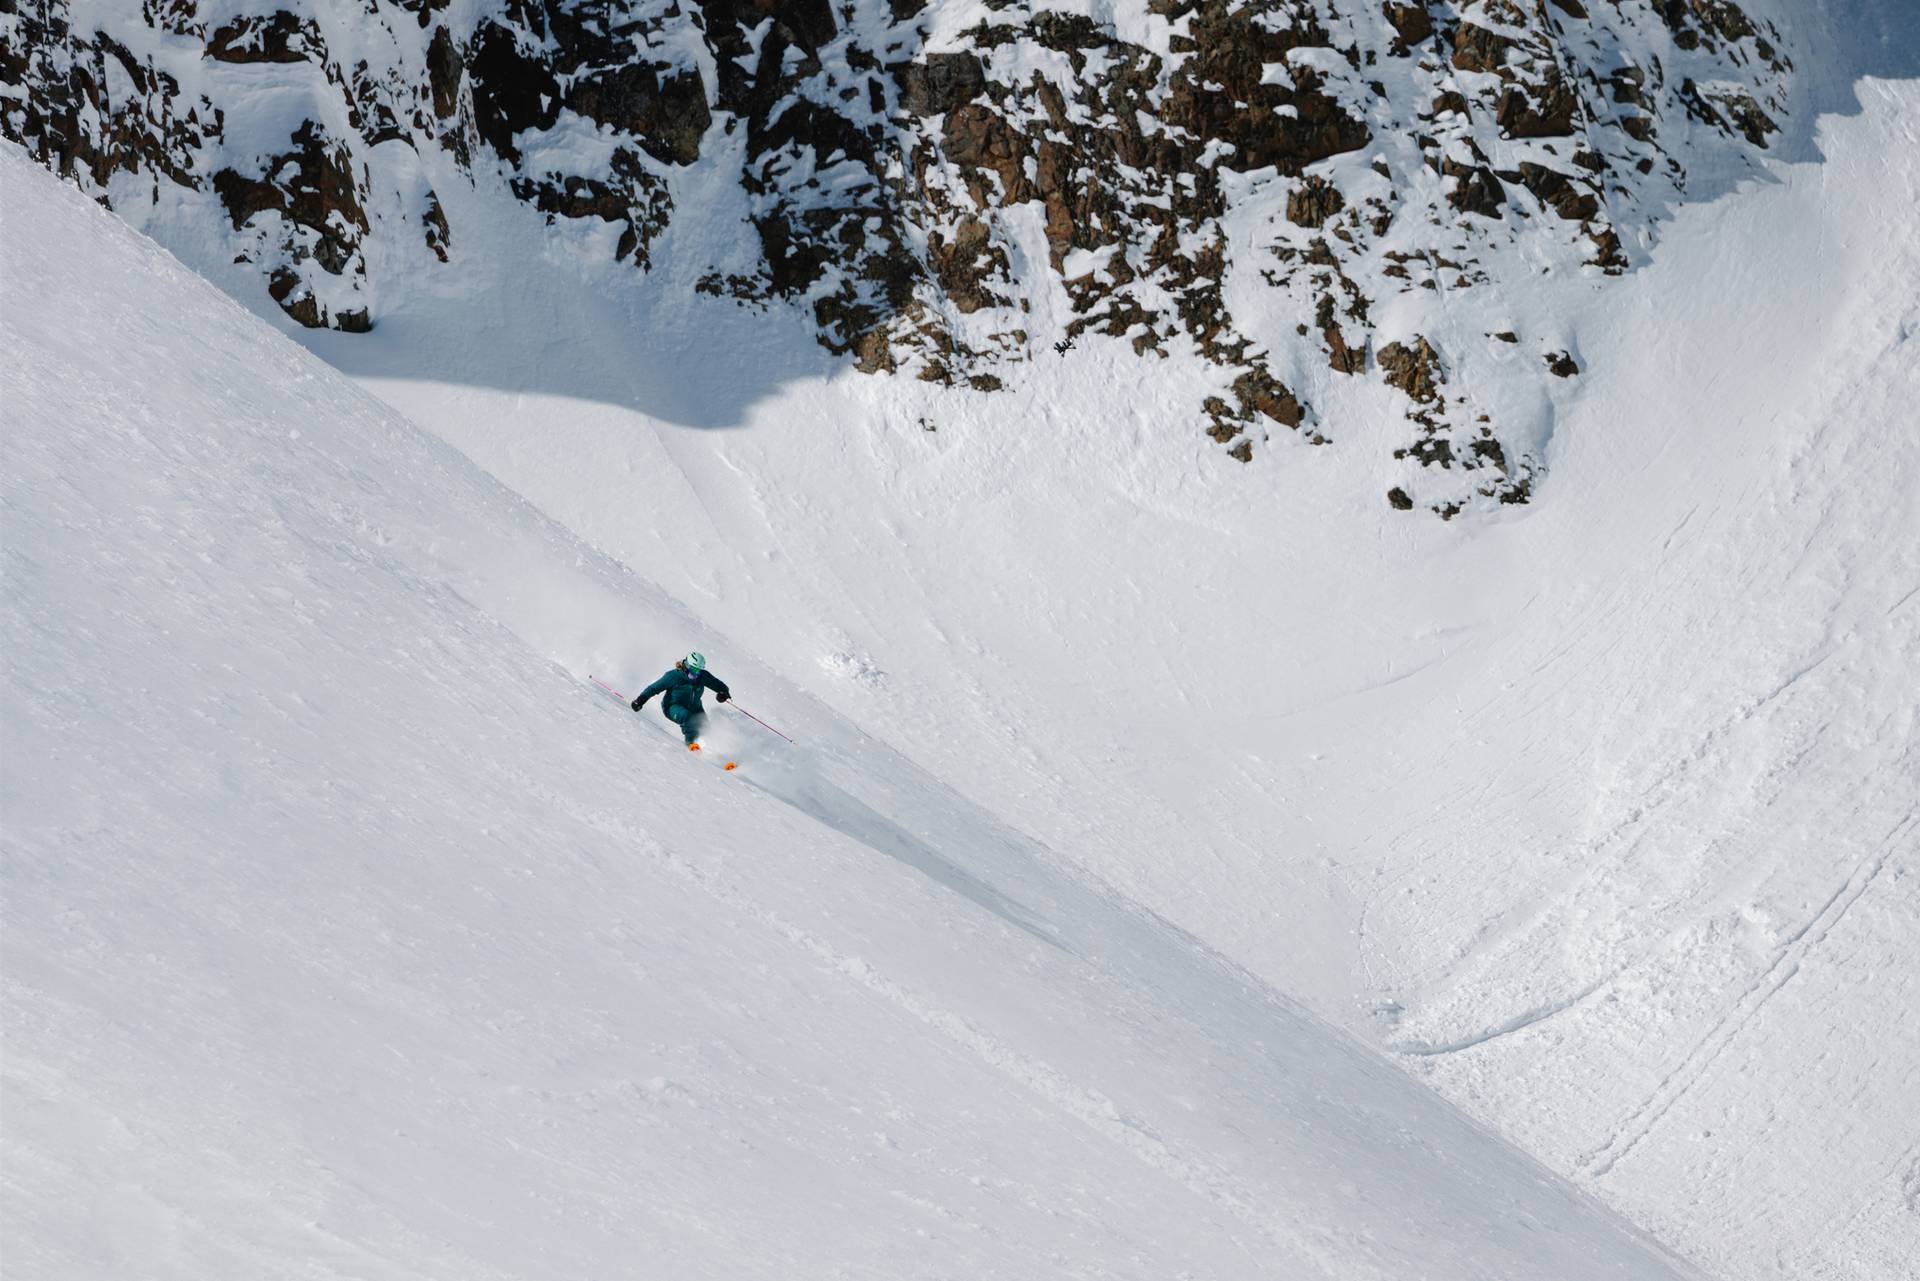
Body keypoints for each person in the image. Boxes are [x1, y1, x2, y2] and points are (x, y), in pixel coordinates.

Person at [631, 651, 731, 749]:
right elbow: (653, 688)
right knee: (686, 716)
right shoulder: (673, 676)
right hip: (672, 706)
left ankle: (711, 753)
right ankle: (691, 745)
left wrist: (723, 693)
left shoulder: (702, 676)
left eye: (698, 670)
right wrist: (640, 700)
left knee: (705, 727)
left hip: (695, 707)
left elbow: (720, 686)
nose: (696, 673)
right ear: (686, 665)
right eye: (693, 669)